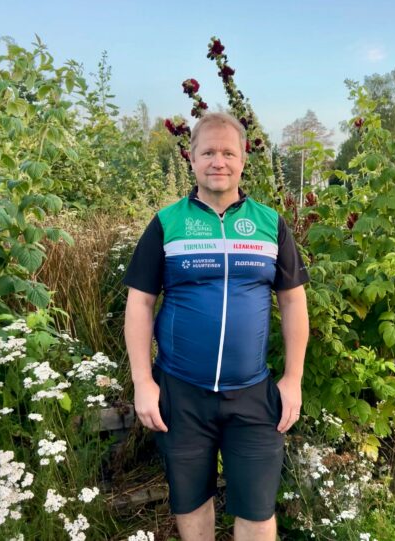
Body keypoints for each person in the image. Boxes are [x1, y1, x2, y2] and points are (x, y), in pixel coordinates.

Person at [123, 112, 309, 541]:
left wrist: (293, 379)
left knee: (258, 510)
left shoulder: (270, 224)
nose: (218, 161)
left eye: (228, 152)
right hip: (181, 392)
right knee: (191, 503)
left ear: (243, 159)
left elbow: (293, 300)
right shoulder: (167, 223)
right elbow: (140, 303)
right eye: (208, 152)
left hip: (252, 394)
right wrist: (143, 382)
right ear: (191, 158)